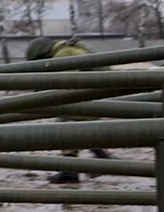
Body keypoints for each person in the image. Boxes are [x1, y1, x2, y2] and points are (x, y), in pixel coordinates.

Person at [25, 36, 113, 184]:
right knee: (81, 126)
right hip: (96, 92)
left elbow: (66, 84)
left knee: (65, 125)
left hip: (92, 92)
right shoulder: (69, 48)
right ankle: (100, 155)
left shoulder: (65, 53)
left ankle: (70, 171)